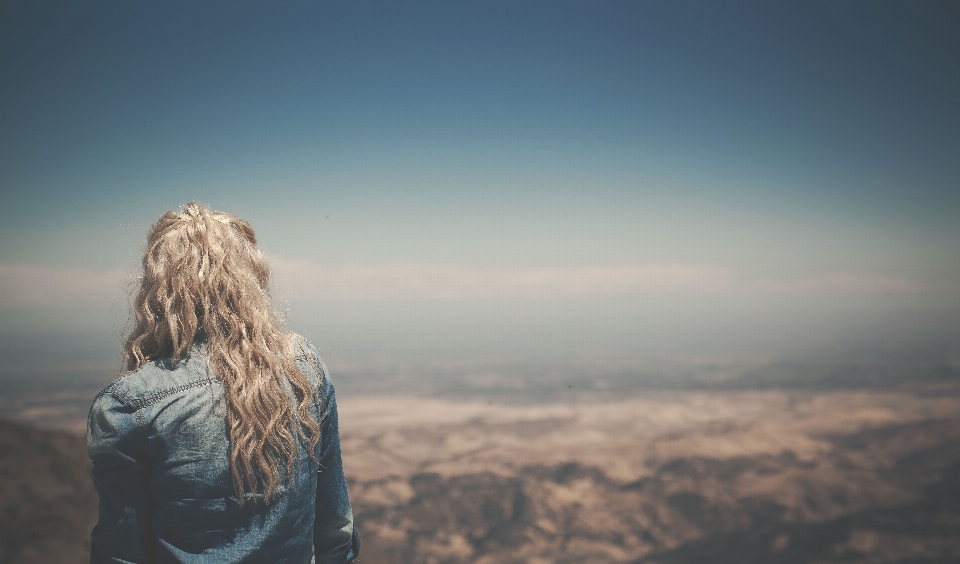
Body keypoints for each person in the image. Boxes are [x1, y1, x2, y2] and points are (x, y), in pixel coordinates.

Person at [87, 202, 360, 563]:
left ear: (156, 288)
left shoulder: (129, 406)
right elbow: (334, 526)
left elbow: (121, 553)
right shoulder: (304, 367)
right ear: (248, 277)